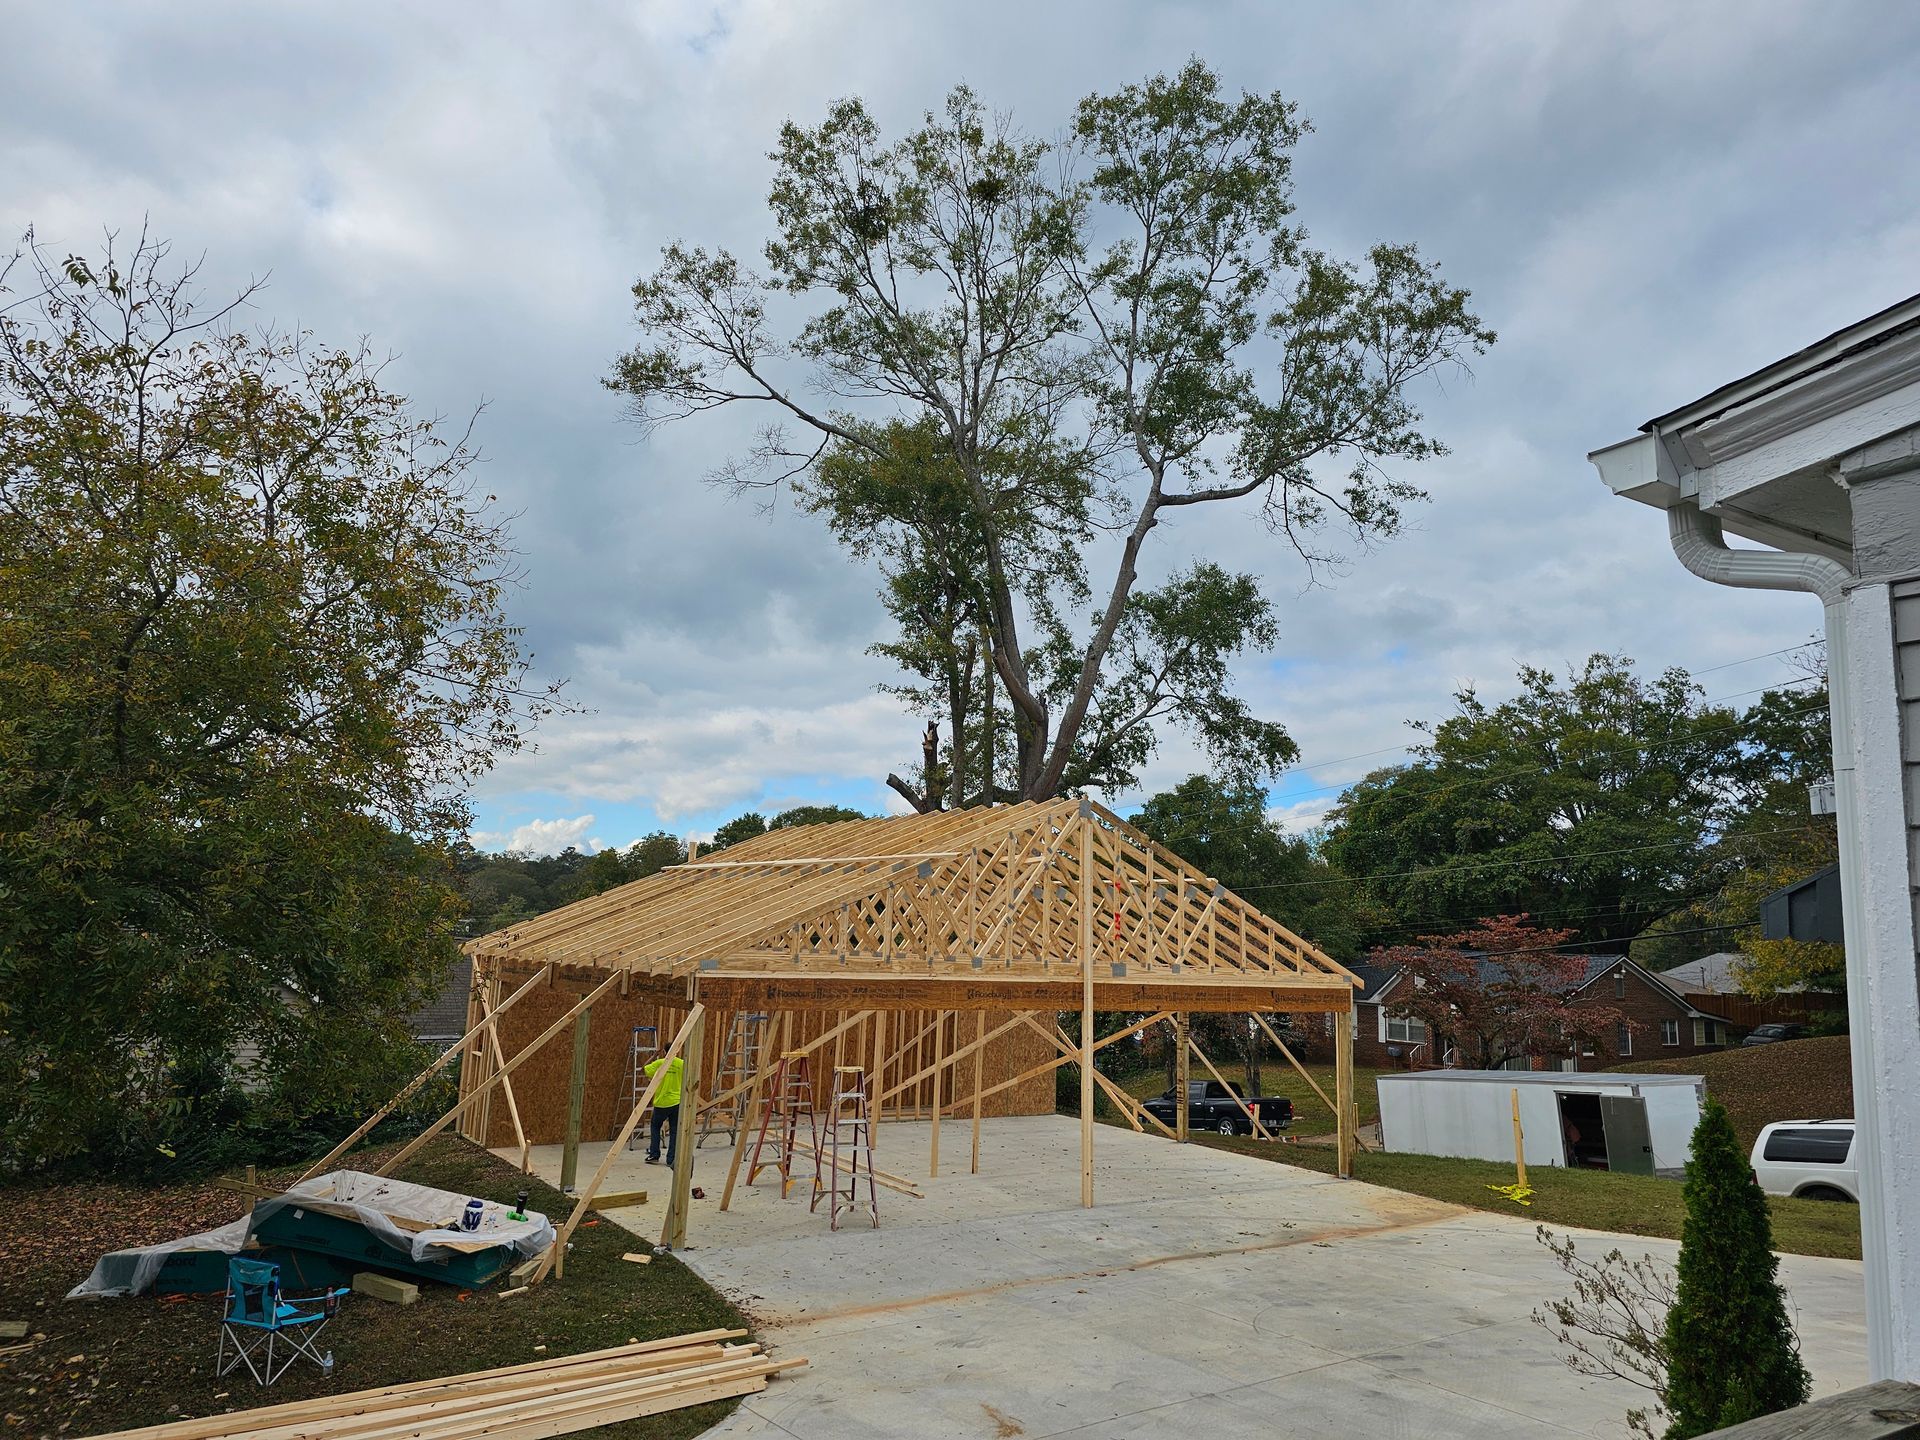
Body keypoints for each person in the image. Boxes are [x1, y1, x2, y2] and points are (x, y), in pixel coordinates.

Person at [643, 1052, 685, 1166]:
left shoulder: (660, 1063)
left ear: (666, 1052)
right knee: (674, 1130)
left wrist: (653, 1056)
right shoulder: (682, 1063)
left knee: (655, 1126)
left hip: (661, 1102)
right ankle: (671, 1159)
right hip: (676, 1102)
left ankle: (654, 1154)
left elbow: (644, 1069)